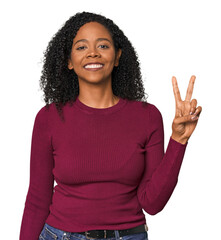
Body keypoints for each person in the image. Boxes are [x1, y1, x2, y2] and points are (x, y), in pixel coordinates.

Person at [19, 11, 202, 240]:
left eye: (103, 46)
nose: (93, 53)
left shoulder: (147, 116)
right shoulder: (49, 118)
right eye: (81, 47)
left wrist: (179, 140)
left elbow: (153, 204)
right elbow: (37, 199)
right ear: (68, 61)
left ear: (117, 58)